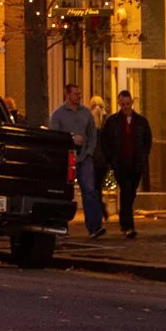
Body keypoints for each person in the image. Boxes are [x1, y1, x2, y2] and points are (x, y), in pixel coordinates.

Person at [48, 82, 104, 238]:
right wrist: (71, 138)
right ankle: (60, 226)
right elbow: (54, 136)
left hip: (84, 157)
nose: (78, 96)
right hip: (66, 158)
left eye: (79, 93)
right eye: (75, 93)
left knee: (90, 191)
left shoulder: (86, 113)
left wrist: (90, 152)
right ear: (67, 95)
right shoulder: (58, 114)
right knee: (63, 192)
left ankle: (95, 227)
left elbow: (92, 134)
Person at [97, 90, 153, 239]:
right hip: (120, 163)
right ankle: (128, 226)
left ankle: (125, 222)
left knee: (130, 193)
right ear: (119, 104)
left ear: (132, 103)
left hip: (136, 164)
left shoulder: (141, 122)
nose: (126, 107)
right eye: (123, 104)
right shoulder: (112, 121)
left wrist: (143, 156)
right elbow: (105, 140)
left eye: (128, 104)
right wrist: (111, 159)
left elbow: (147, 140)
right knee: (126, 191)